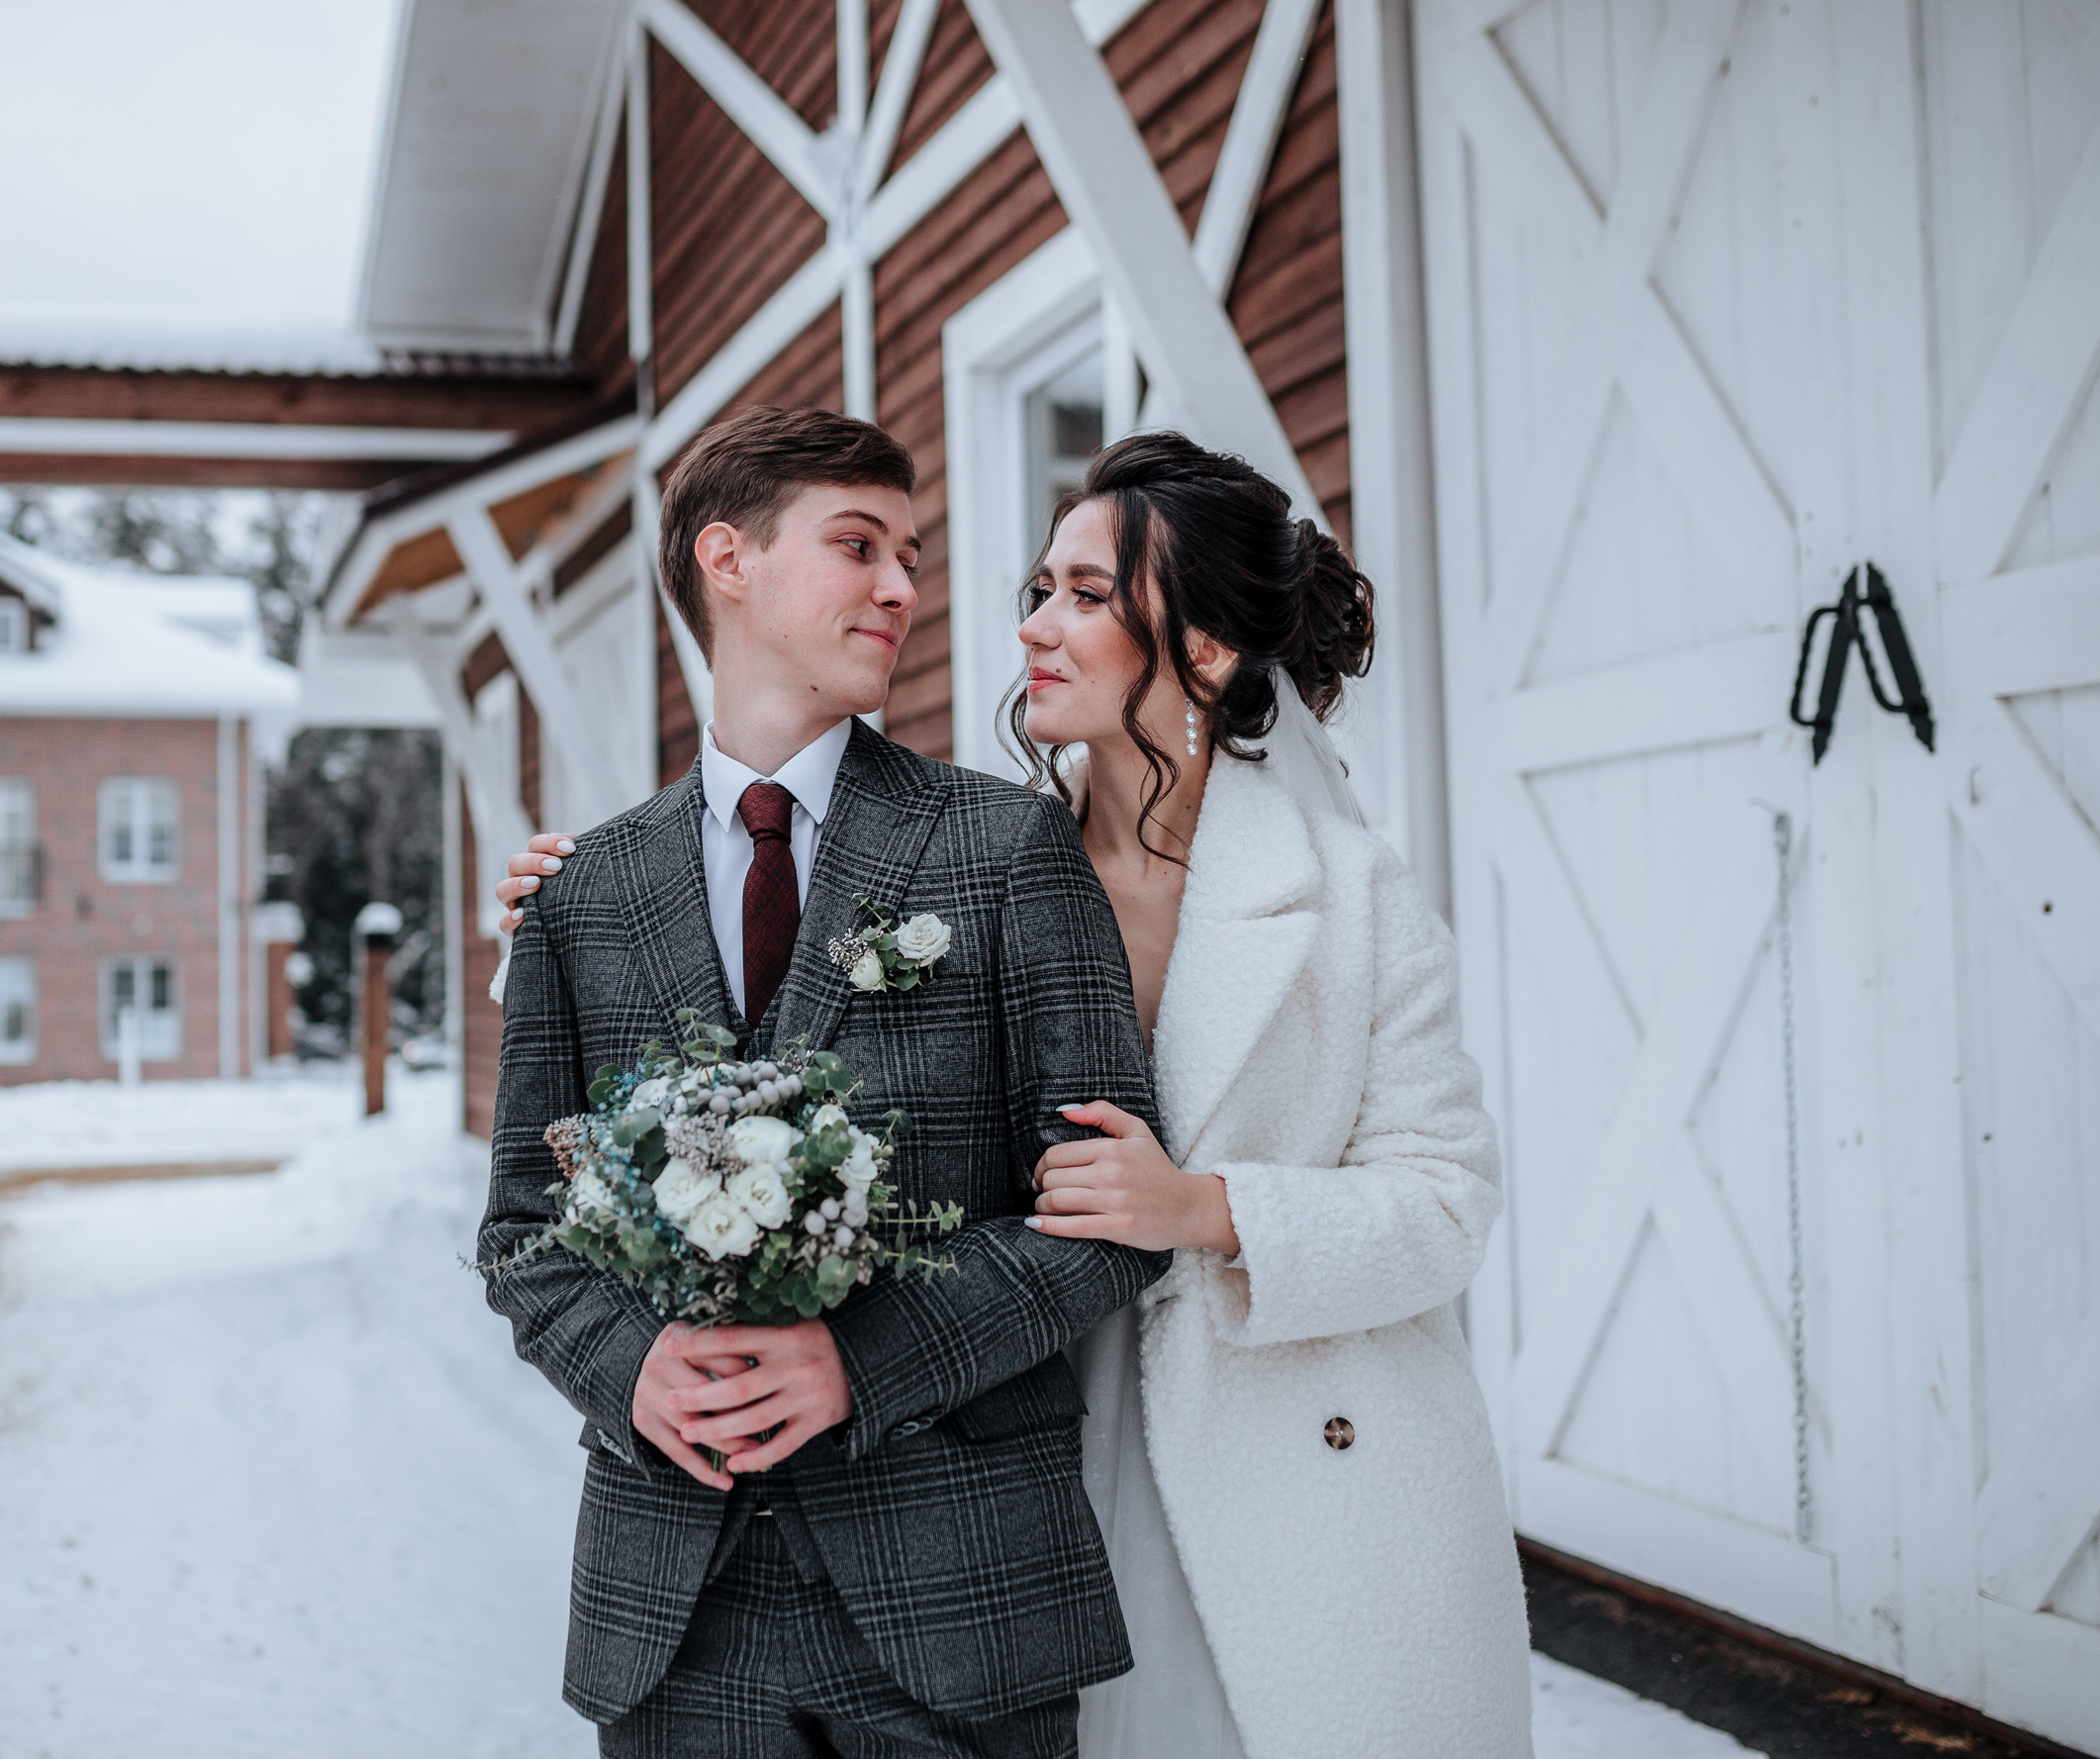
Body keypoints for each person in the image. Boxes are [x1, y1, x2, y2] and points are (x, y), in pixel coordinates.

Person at [501, 431, 1533, 1757]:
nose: (1026, 623)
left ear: (1204, 648)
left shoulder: (1332, 892)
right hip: (1021, 1440)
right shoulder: (977, 849)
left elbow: (1447, 1197)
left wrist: (1207, 1206)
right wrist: (560, 916)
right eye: (1039, 589)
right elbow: (593, 1146)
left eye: (1086, 595)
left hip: (1276, 1443)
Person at [477, 404, 1171, 1759]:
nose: (903, 588)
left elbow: (1108, 1222)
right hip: (675, 1607)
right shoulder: (583, 897)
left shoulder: (1010, 849)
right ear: (726, 560)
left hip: (958, 1596)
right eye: (859, 546)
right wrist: (633, 1370)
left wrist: (858, 1362)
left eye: (909, 554)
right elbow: (521, 1230)